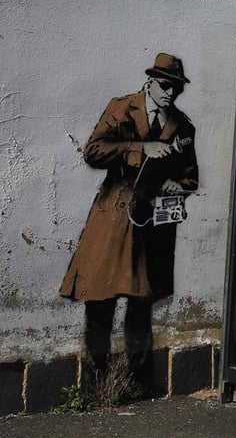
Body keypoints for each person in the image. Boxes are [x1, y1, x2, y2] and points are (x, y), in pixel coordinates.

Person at [59, 53, 198, 390]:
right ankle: (95, 384)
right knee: (100, 302)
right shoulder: (121, 108)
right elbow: (93, 151)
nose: (170, 93)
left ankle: (137, 383)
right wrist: (139, 148)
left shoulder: (183, 125)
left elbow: (190, 177)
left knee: (141, 306)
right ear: (150, 81)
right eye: (165, 85)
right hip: (112, 219)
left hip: (153, 225)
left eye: (176, 88)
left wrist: (177, 185)